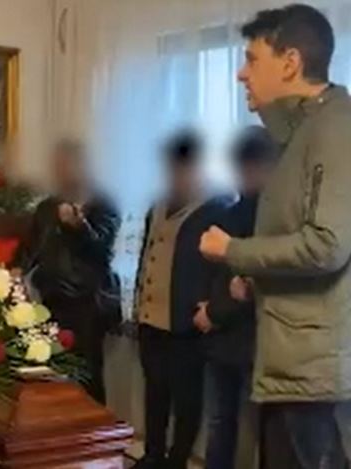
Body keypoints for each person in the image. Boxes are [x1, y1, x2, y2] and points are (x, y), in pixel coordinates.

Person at [199, 5, 351, 468]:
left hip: (314, 372)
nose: (241, 74)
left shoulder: (335, 127)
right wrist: (256, 281)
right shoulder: (299, 134)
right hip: (291, 363)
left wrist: (233, 251)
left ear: (290, 63)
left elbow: (327, 244)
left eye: (252, 60)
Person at [132, 131, 229, 469]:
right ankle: (152, 455)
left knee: (186, 400)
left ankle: (177, 460)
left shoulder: (216, 208)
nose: (174, 177)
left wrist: (211, 308)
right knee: (154, 393)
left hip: (186, 324)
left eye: (181, 169)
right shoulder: (157, 205)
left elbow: (223, 268)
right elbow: (146, 255)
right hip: (151, 320)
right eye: (170, 169)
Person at [11, 139, 120, 404]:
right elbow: (29, 247)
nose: (61, 172)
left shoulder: (103, 205)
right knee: (54, 374)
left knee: (87, 376)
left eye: (66, 165)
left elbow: (101, 250)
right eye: (57, 166)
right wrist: (16, 269)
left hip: (87, 306)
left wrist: (79, 226)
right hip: (51, 302)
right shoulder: (46, 208)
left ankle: (93, 425)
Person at [194, 126, 277, 469]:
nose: (245, 174)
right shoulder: (228, 214)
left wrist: (215, 311)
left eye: (251, 166)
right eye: (240, 166)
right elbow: (218, 278)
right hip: (223, 342)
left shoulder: (276, 220)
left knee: (266, 432)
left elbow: (248, 287)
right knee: (220, 424)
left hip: (258, 343)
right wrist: (212, 307)